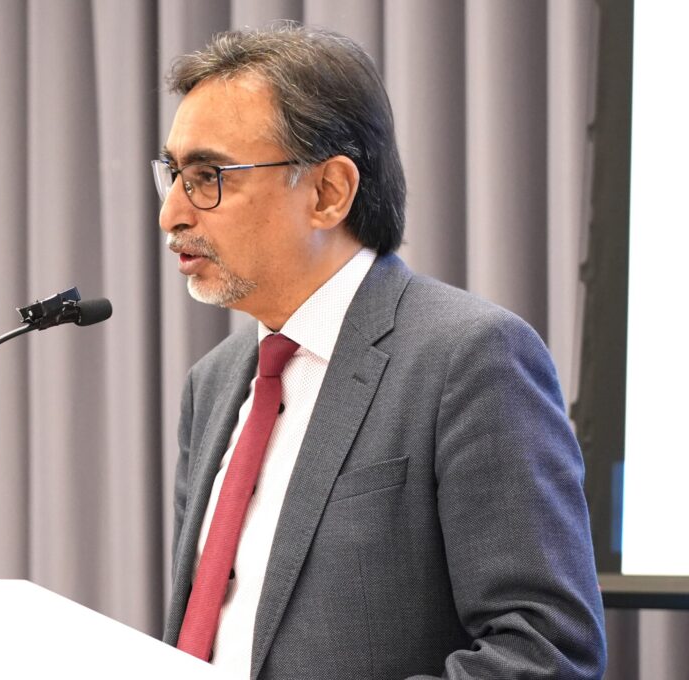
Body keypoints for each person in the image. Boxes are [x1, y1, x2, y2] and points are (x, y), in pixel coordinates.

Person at [155, 24, 606, 680]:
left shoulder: (471, 358)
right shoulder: (215, 383)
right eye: (173, 173)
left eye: (208, 176)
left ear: (328, 192)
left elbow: (547, 651)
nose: (172, 213)